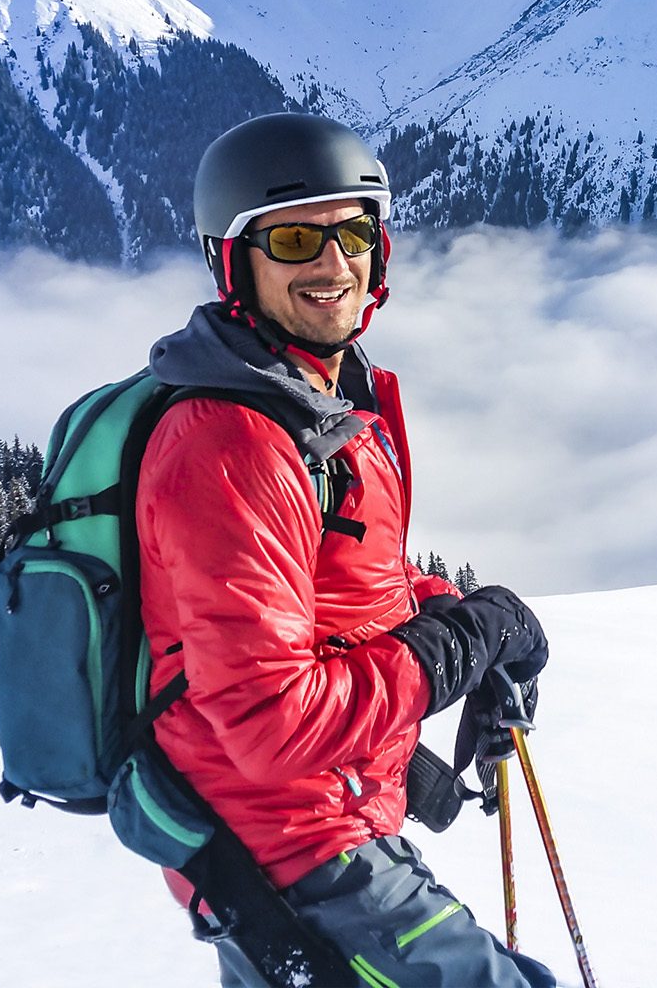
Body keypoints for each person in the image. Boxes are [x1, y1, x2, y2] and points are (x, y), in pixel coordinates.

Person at [138, 112, 557, 987]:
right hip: (293, 846)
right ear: (233, 261)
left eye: (354, 232)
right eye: (295, 238)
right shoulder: (231, 442)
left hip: (327, 818)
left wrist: (465, 619)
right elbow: (269, 724)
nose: (334, 265)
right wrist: (461, 647)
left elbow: (347, 584)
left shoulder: (316, 403)